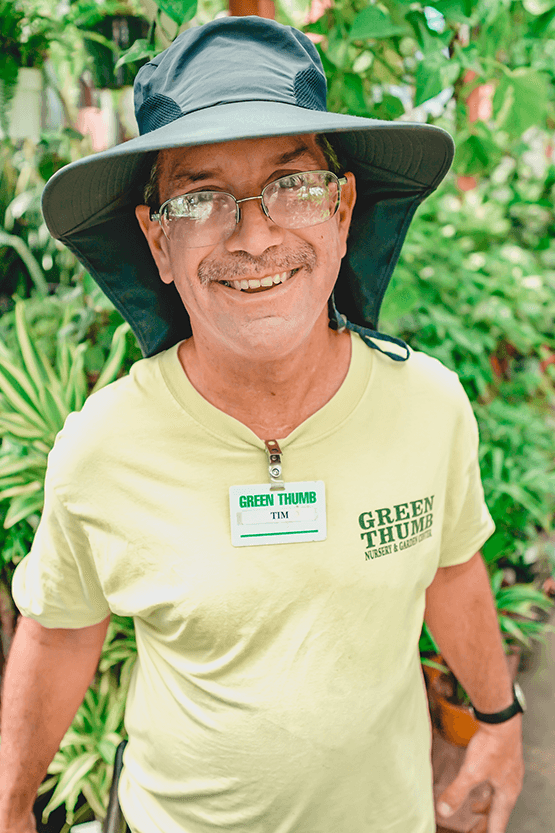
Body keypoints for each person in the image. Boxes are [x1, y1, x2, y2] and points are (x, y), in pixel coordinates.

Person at [0, 16, 524, 833]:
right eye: (200, 197)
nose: (254, 233)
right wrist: (10, 811)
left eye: (294, 184)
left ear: (343, 212)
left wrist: (498, 722)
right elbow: (62, 632)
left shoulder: (427, 404)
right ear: (158, 241)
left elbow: (452, 569)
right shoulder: (101, 448)